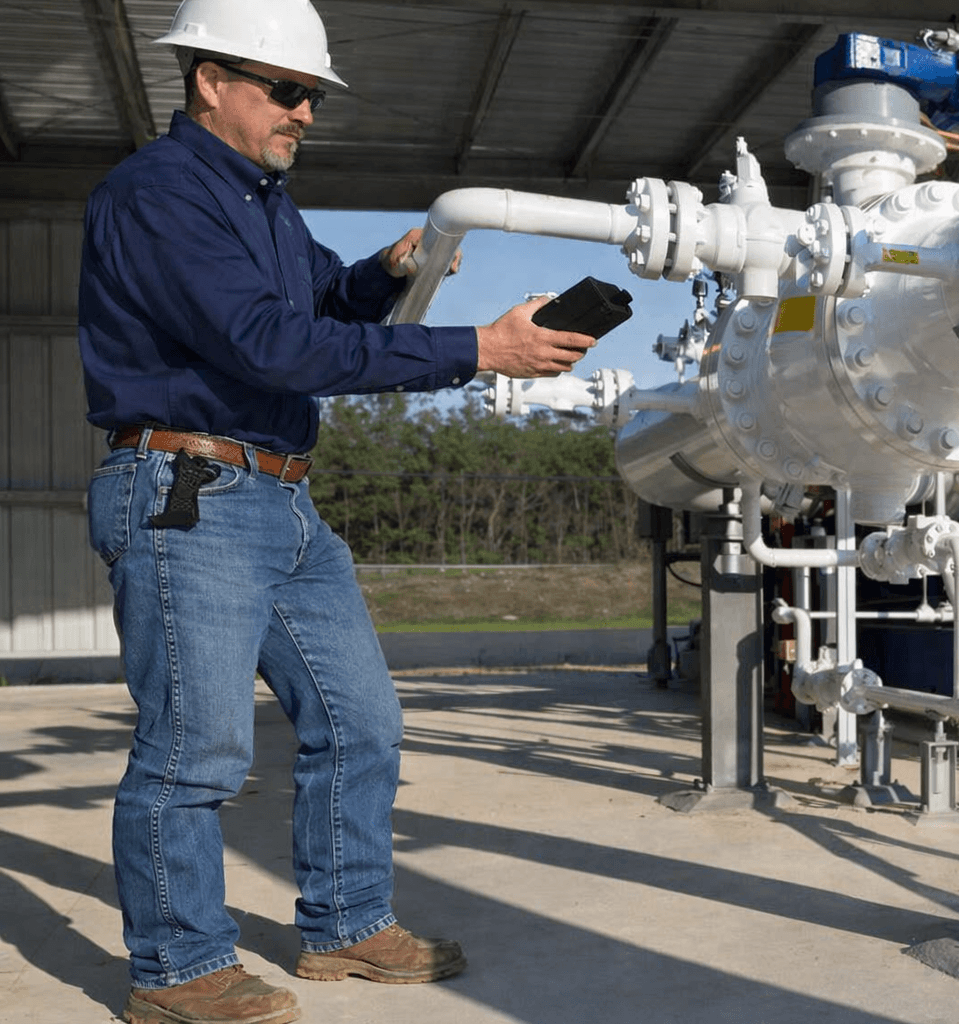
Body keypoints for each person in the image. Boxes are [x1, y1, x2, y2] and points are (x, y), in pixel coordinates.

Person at [76, 1, 596, 1022]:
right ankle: (176, 969)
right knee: (196, 749)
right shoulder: (159, 195)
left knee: (363, 720)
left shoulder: (261, 200)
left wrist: (384, 274)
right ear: (209, 80)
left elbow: (319, 303)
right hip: (189, 491)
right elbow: (271, 347)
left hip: (278, 498)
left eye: (311, 94)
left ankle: (348, 928)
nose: (305, 111)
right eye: (286, 89)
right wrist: (477, 352)